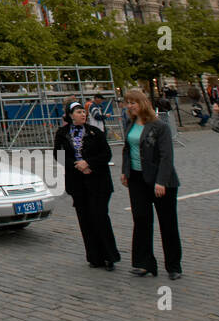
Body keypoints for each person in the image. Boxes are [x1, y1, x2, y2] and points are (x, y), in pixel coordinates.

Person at [121, 88, 182, 279]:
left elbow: (166, 156)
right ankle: (144, 263)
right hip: (137, 179)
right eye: (128, 102)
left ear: (142, 103)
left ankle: (173, 266)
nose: (130, 106)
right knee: (140, 219)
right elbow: (127, 149)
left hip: (160, 180)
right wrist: (125, 171)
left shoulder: (159, 126)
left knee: (168, 223)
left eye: (133, 102)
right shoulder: (130, 124)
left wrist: (161, 181)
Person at [54, 101, 120, 270]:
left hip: (97, 180)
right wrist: (76, 165)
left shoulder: (94, 132)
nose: (83, 114)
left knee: (100, 217)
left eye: (83, 111)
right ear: (70, 115)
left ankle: (109, 256)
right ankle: (94, 256)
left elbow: (106, 154)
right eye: (78, 112)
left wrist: (88, 163)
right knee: (85, 219)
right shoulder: (62, 134)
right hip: (77, 181)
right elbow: (59, 155)